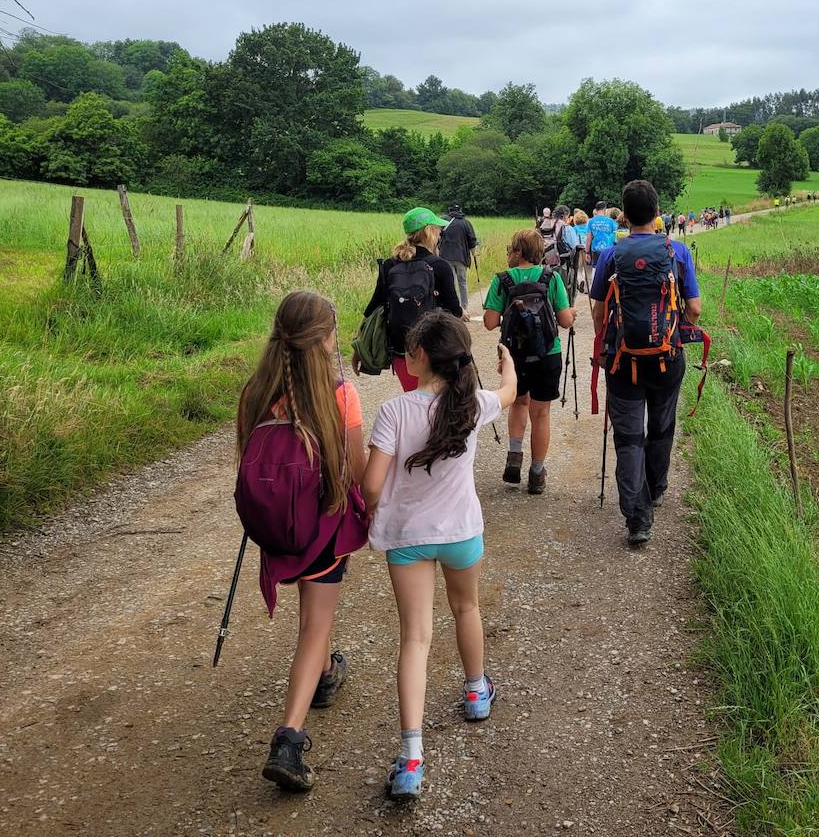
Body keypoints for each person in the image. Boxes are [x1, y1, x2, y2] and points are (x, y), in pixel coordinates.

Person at [362, 312, 517, 802]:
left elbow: (370, 484)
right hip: (461, 533)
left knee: (416, 639)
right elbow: (511, 391)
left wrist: (371, 507)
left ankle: (411, 759)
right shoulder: (472, 403)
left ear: (421, 357)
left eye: (408, 351)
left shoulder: (394, 412)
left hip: (409, 538)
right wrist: (507, 361)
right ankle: (476, 692)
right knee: (466, 610)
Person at [243, 291, 369, 792]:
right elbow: (357, 473)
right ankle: (289, 740)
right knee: (315, 626)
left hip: (276, 528)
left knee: (312, 618)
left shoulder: (256, 391)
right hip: (323, 528)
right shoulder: (341, 395)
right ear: (324, 339)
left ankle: (322, 674)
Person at [590, 180, 701, 547]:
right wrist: (677, 327)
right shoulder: (677, 251)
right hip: (668, 358)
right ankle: (656, 488)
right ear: (657, 213)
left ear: (623, 215)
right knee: (662, 425)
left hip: (623, 361)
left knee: (628, 436)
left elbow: (599, 310)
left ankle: (637, 519)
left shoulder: (611, 255)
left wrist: (608, 343)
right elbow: (695, 310)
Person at [483, 229, 576, 494]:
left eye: (511, 248)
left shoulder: (502, 279)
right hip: (548, 353)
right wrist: (571, 312)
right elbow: (565, 321)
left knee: (518, 402)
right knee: (541, 412)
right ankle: (536, 472)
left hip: (514, 356)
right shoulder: (552, 277)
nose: (509, 252)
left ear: (519, 251)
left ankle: (514, 455)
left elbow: (490, 323)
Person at [355, 207, 462, 392]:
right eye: (438, 229)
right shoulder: (440, 266)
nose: (439, 233)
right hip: (435, 352)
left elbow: (375, 305)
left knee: (413, 399)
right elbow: (454, 312)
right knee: (436, 407)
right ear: (429, 231)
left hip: (402, 352)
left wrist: (359, 345)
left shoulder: (390, 265)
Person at [437, 204, 478, 318]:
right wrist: (474, 254)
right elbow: (472, 241)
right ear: (460, 211)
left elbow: (437, 238)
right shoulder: (466, 223)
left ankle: (453, 309)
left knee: (451, 283)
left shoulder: (443, 221)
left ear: (449, 211)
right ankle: (464, 308)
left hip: (445, 257)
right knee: (462, 283)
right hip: (461, 257)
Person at [585, 201, 618, 275]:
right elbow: (615, 237)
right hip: (608, 249)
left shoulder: (591, 221)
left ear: (596, 210)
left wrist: (587, 252)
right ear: (605, 209)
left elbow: (588, 239)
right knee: (608, 269)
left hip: (596, 249)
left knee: (595, 270)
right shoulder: (611, 221)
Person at [570, 209, 591, 293]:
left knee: (578, 269)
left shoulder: (574, 229)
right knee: (588, 270)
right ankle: (587, 288)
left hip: (578, 250)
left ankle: (580, 280)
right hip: (587, 250)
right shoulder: (588, 228)